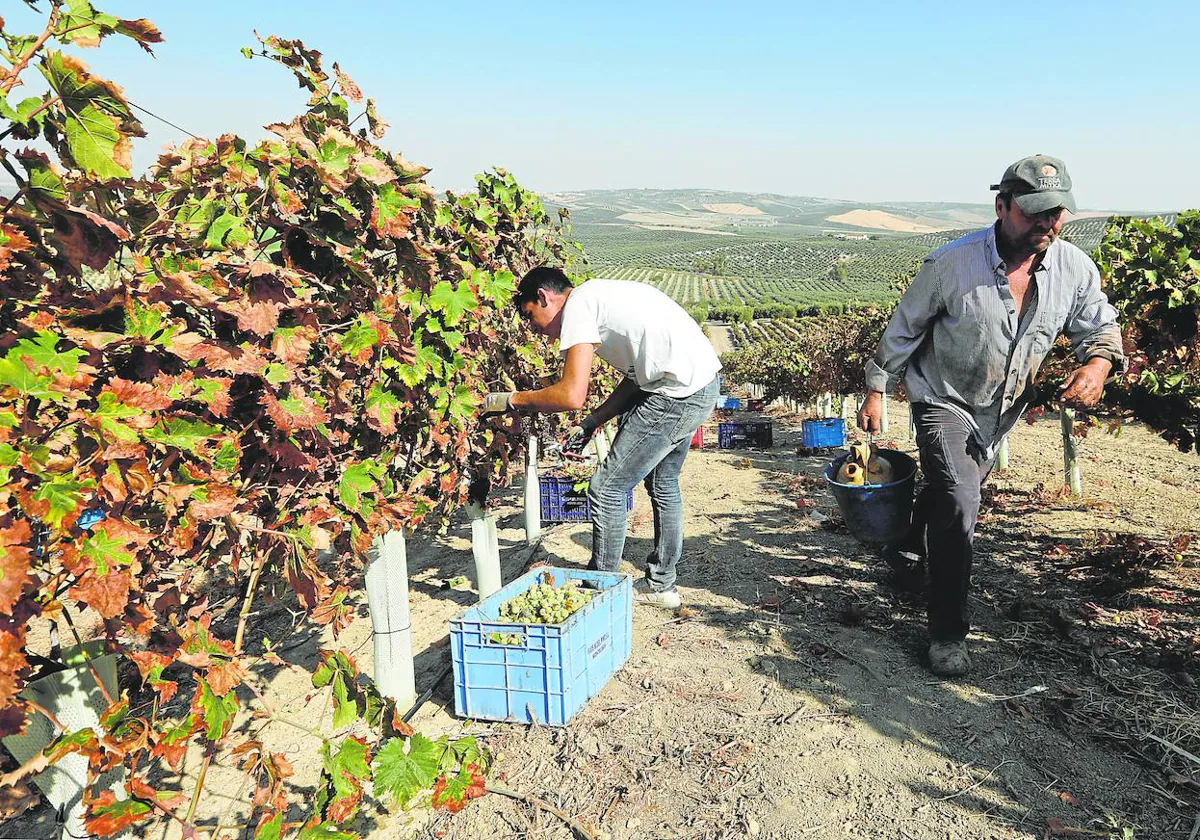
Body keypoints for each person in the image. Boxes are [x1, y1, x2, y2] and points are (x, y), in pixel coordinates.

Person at [858, 154, 1124, 677]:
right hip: (943, 398)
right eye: (1036, 212)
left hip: (1000, 413)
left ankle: (909, 550)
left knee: (947, 492)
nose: (1049, 223)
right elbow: (905, 329)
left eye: (1058, 213)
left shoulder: (1075, 268)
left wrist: (1097, 365)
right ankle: (947, 633)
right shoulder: (950, 265)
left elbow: (1100, 327)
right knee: (961, 500)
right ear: (1002, 207)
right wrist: (876, 388)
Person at [484, 268, 721, 608]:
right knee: (663, 483)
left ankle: (602, 591)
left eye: (532, 317)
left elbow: (571, 395)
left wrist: (511, 400)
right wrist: (595, 421)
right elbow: (638, 377)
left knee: (606, 488)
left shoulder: (578, 305)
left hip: (677, 393)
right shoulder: (600, 298)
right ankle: (662, 586)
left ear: (544, 298)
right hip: (699, 382)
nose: (538, 331)